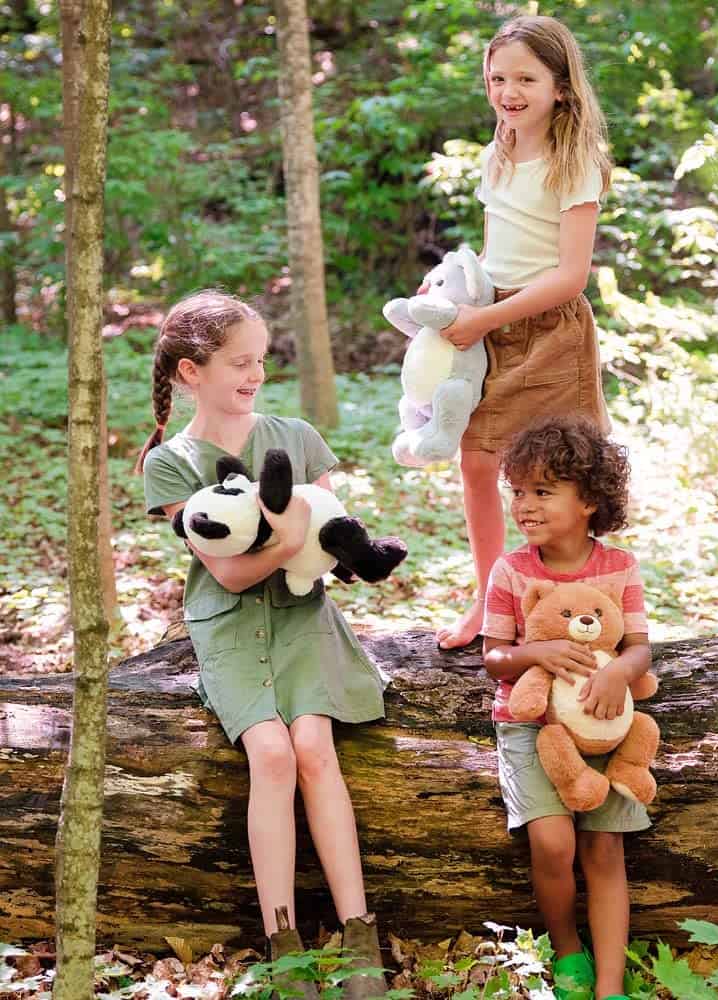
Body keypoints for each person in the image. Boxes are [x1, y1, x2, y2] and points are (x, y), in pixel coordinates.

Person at [136, 290, 392, 998]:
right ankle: (285, 947)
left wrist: (340, 551)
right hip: (228, 620)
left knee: (313, 746)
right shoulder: (171, 463)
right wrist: (287, 539)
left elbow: (335, 532)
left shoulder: (296, 436)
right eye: (239, 362)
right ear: (191, 372)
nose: (255, 374)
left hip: (302, 615)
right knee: (272, 755)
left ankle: (360, 936)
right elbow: (228, 570)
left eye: (261, 361)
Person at [433, 14, 613, 650]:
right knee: (477, 460)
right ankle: (491, 602)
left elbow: (569, 277)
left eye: (526, 79)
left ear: (561, 87)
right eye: (497, 78)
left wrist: (484, 318)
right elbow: (493, 254)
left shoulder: (575, 163)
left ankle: (578, 602)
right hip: (494, 323)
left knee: (562, 475)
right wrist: (451, 287)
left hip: (552, 331)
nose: (508, 91)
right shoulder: (498, 153)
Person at [482, 416, 652, 1000]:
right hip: (529, 725)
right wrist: (537, 652)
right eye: (518, 491)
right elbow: (494, 657)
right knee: (553, 843)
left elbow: (640, 647)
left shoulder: (619, 566)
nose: (524, 505)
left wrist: (618, 673)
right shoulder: (511, 570)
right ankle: (568, 948)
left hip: (606, 727)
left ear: (589, 501)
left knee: (604, 846)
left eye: (542, 491)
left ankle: (609, 984)